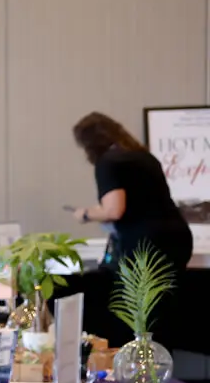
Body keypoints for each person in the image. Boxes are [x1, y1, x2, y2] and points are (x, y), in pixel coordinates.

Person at [71, 111, 193, 278]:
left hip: (145, 245)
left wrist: (85, 214)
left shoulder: (108, 162)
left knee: (140, 301)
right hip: (177, 238)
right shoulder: (145, 157)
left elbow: (114, 210)